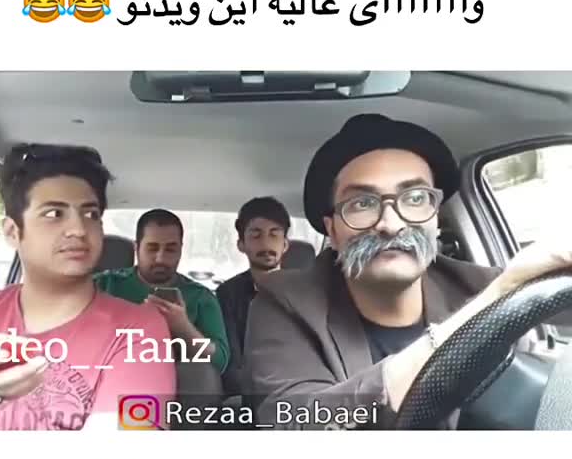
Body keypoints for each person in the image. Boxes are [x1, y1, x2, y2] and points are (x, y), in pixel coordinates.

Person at [242, 113, 572, 429]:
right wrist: (467, 324)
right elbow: (294, 422)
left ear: (435, 217)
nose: (391, 224)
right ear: (333, 231)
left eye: (414, 198)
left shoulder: (483, 286)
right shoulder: (283, 304)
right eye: (362, 204)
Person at [0, 144, 176, 430]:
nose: (79, 229)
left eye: (91, 215)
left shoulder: (141, 331)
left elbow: (123, 454)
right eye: (54, 214)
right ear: (12, 232)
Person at [94, 209, 229, 401]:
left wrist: (182, 327)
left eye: (170, 249)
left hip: (175, 394)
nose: (161, 258)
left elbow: (219, 362)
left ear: (181, 250)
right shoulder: (104, 285)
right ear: (137, 248)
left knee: (201, 375)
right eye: (152, 248)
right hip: (109, 382)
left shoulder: (200, 297)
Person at [216, 197, 290, 397]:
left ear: (285, 244)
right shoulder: (228, 294)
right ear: (241, 244)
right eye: (256, 235)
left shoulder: (307, 293)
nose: (266, 243)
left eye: (274, 234)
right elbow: (232, 363)